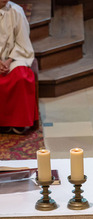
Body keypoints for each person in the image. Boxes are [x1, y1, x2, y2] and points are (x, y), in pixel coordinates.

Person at [0, 0, 38, 133]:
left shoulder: (16, 11)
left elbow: (22, 42)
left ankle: (18, 122)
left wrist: (8, 61)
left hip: (13, 57)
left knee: (21, 78)